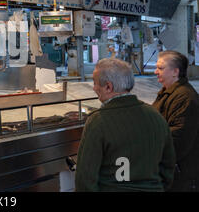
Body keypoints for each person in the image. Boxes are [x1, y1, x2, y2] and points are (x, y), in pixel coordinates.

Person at [75, 58, 175, 192]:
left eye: (95, 83)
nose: (94, 88)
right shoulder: (156, 116)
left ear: (108, 87)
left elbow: (85, 179)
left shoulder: (98, 121)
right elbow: (168, 166)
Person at [153, 50, 199, 191]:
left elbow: (177, 141)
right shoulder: (167, 93)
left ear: (175, 72)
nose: (155, 72)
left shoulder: (185, 98)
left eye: (160, 68)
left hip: (181, 178)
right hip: (169, 173)